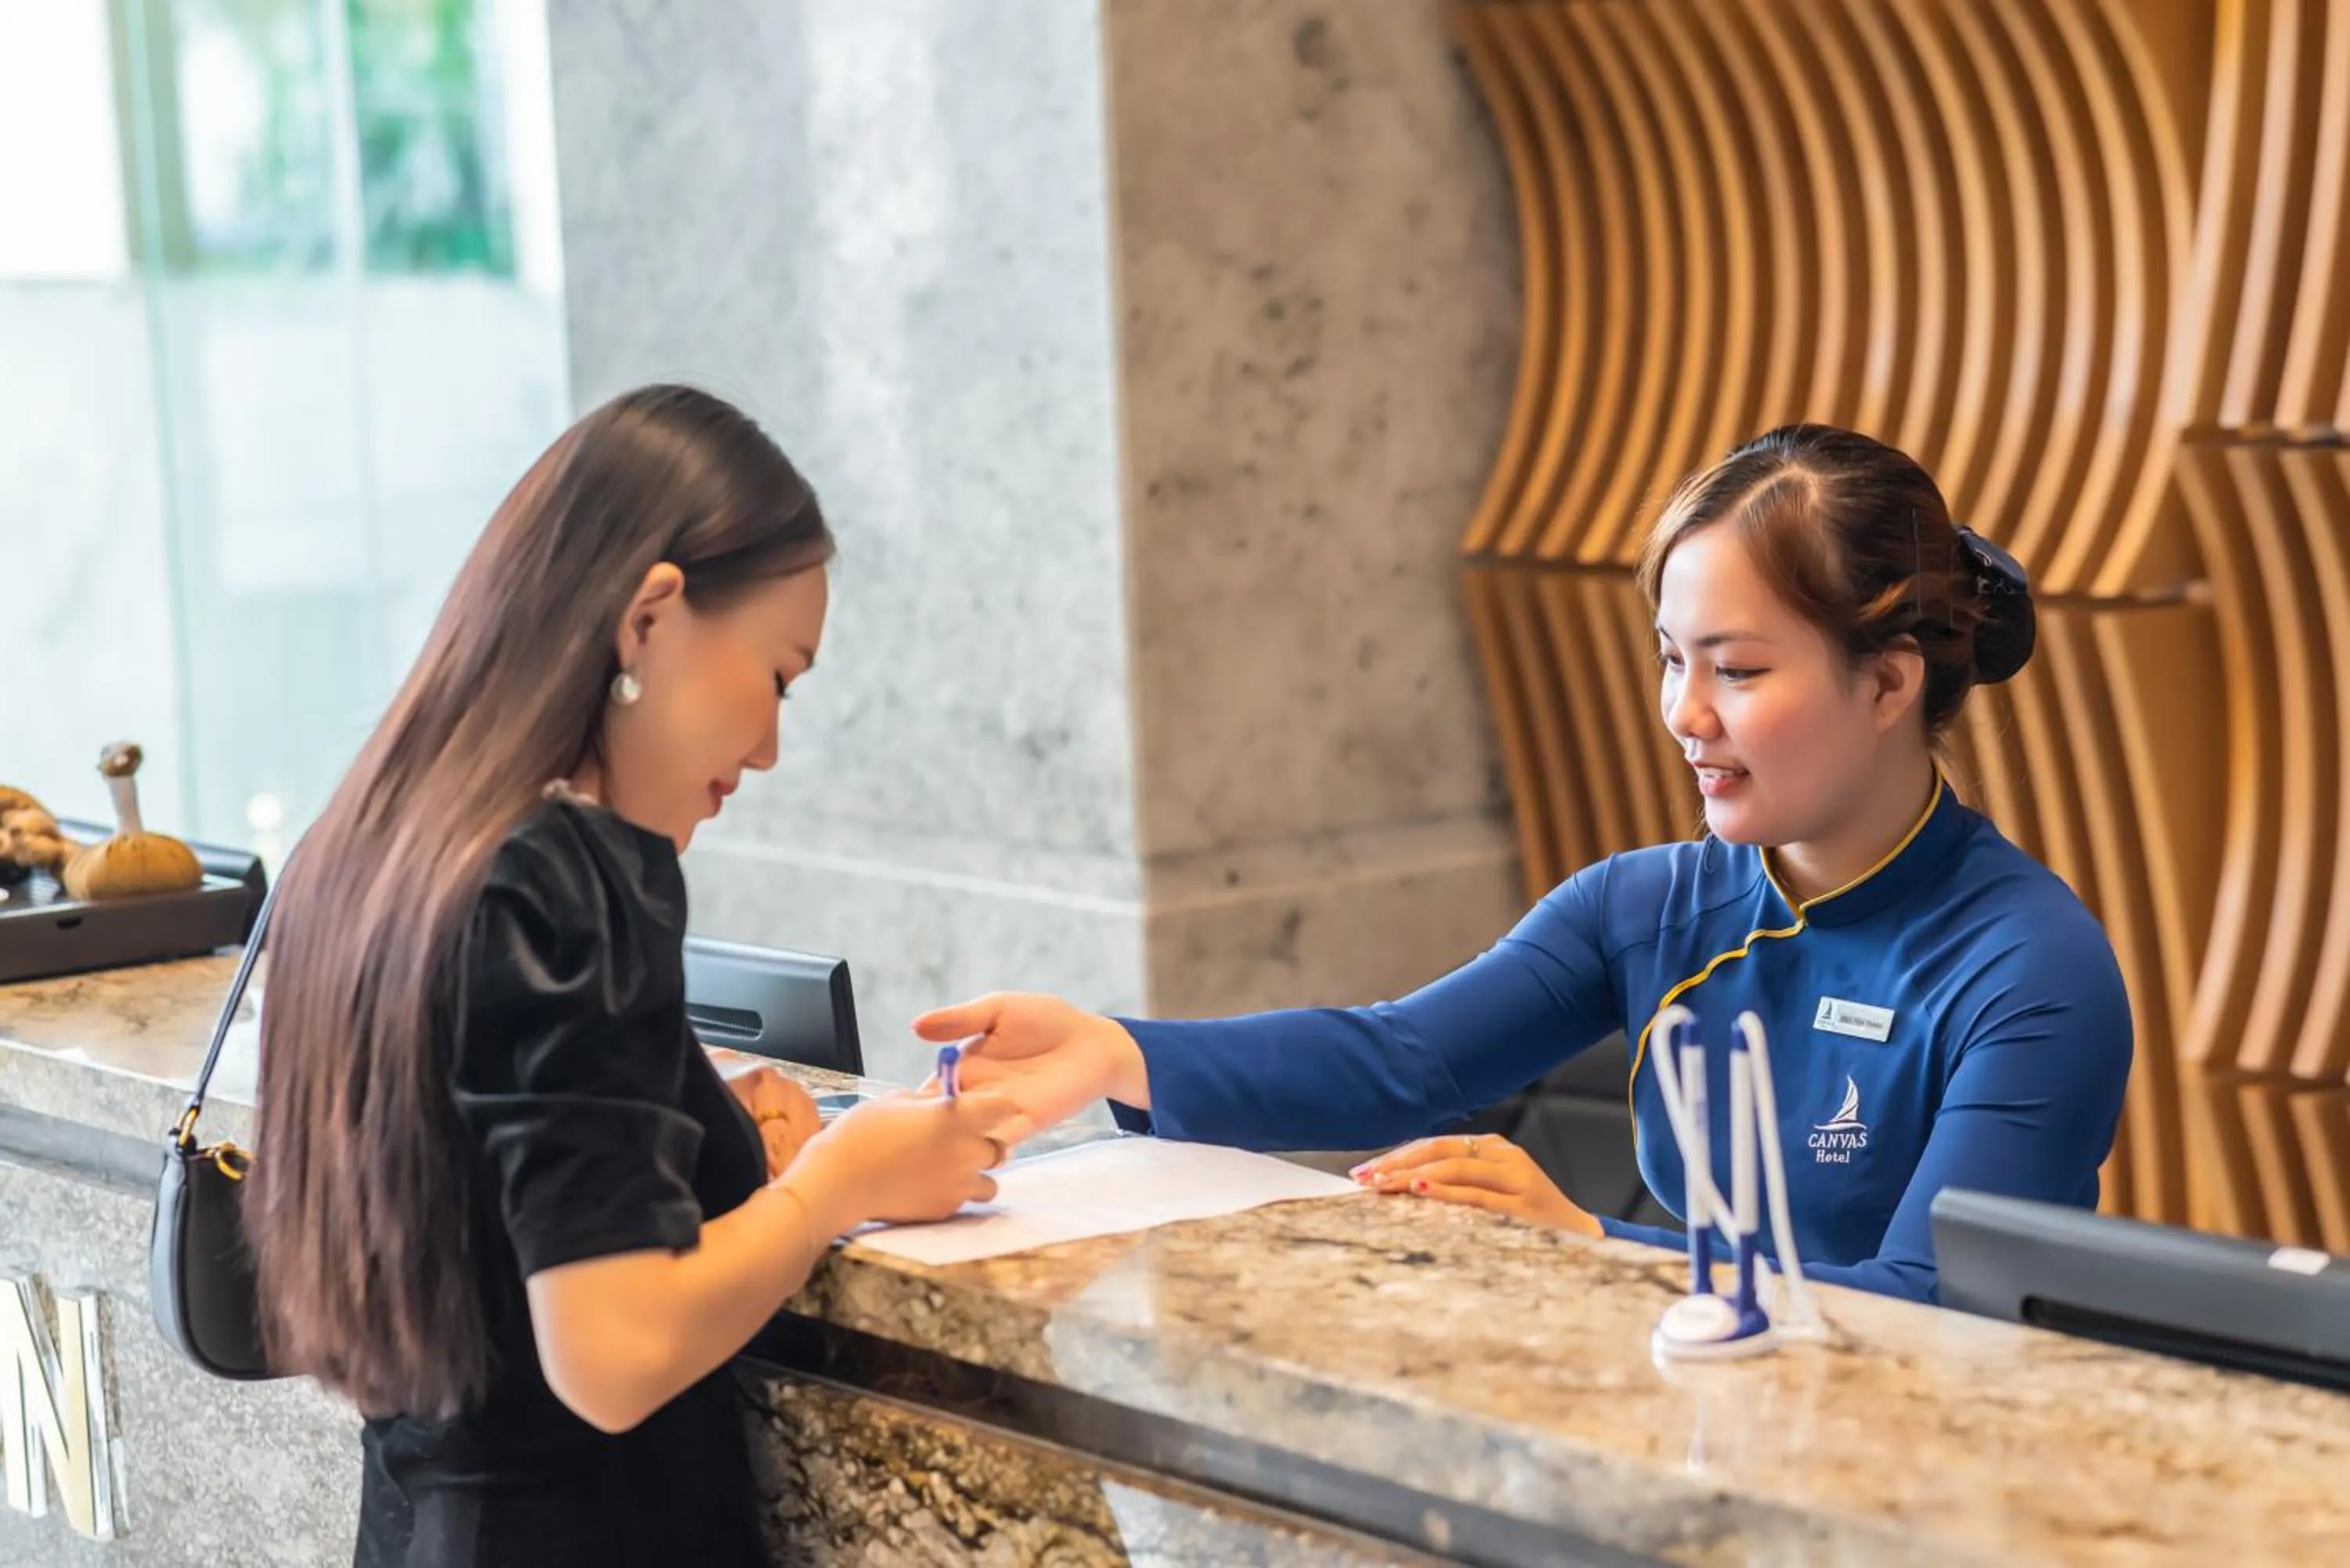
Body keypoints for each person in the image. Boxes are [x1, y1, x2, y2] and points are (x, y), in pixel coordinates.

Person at [914, 424, 2133, 1306]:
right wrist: (1115, 1051)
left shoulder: (2031, 969)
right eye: (1672, 659)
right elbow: (1400, 1058)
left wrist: (1589, 1246)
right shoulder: (1647, 902)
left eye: (1739, 669)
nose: (1684, 714)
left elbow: (1935, 1306)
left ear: (1887, 680)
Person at [249, 385, 1018, 1568]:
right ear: (652, 614)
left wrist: (688, 1116)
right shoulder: (571, 877)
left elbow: (490, 1192)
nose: (768, 748)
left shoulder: (371, 846)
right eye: (779, 676)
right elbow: (610, 1355)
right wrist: (836, 1184)